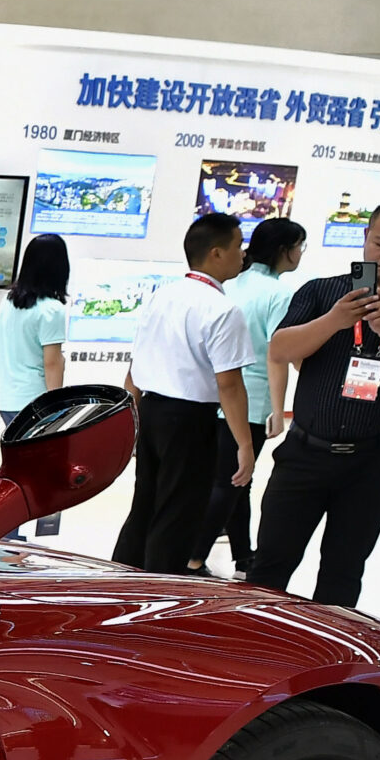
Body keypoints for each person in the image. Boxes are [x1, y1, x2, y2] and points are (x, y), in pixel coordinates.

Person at [252, 197, 380, 606]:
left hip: (376, 460)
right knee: (270, 565)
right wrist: (334, 320)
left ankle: (331, 645)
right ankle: (252, 640)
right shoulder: (322, 291)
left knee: (344, 571)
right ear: (365, 237)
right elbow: (279, 349)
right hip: (305, 452)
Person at [110, 213, 256, 575]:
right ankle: (159, 593)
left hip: (151, 412)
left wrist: (128, 420)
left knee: (144, 504)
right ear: (217, 253)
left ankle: (121, 583)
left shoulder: (160, 296)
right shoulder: (223, 309)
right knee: (178, 512)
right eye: (239, 245)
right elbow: (229, 384)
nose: (243, 254)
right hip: (190, 421)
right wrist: (244, 443)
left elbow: (135, 366)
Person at [190, 216, 304, 575]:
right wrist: (278, 409)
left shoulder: (230, 283)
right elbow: (277, 355)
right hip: (250, 400)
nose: (301, 253)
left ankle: (243, 555)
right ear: (284, 251)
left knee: (237, 478)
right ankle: (193, 559)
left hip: (213, 396)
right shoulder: (279, 294)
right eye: (299, 246)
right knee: (232, 481)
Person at [0, 233, 73, 539]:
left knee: (19, 471)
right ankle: (7, 535)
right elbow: (52, 362)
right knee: (31, 476)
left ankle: (8, 534)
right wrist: (57, 407)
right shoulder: (51, 309)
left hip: (9, 399)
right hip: (36, 403)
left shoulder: (10, 302)